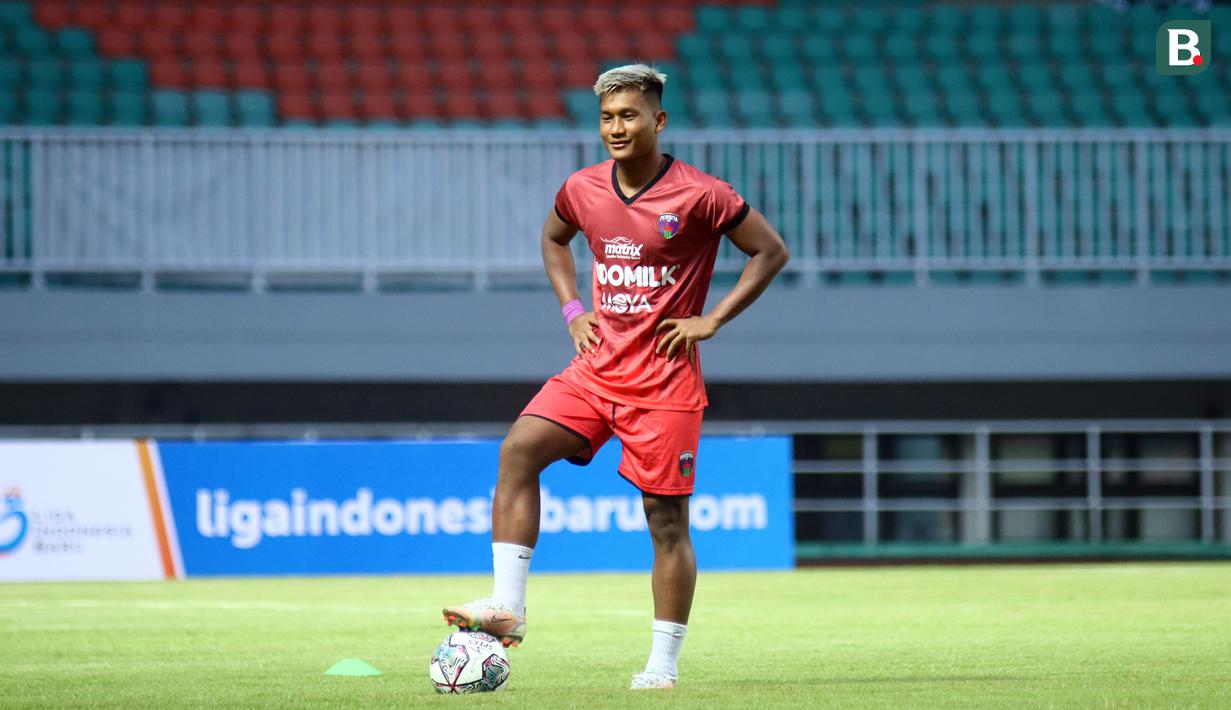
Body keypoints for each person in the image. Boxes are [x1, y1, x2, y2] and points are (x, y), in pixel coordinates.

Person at [443, 64, 789, 690]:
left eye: (629, 115)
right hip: (596, 371)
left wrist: (712, 320)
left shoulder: (702, 194)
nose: (616, 128)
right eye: (606, 118)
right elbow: (553, 239)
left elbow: (771, 251)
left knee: (666, 524)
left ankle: (662, 664)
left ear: (658, 120)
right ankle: (509, 607)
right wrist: (574, 311)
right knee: (519, 450)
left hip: (664, 383)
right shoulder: (582, 188)